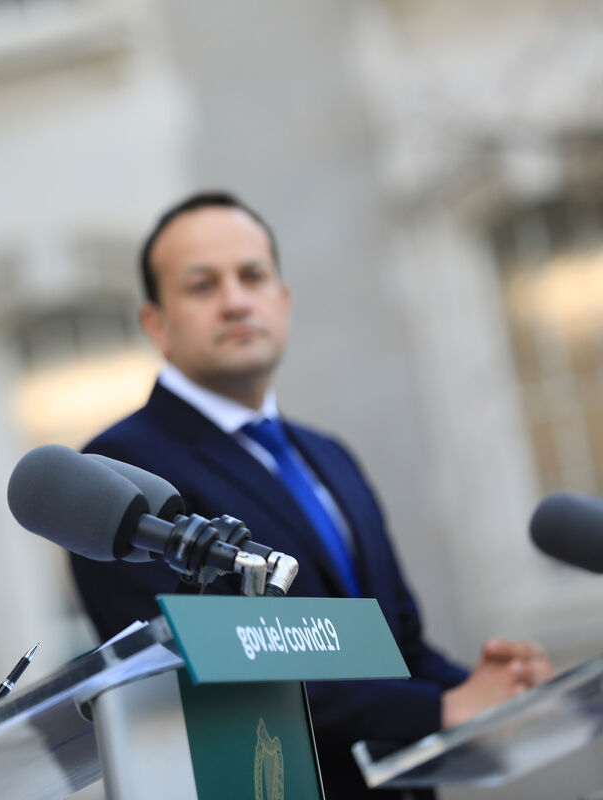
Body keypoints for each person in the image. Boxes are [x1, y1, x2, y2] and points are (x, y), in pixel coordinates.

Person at [69, 191, 553, 798]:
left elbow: (393, 641)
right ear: (156, 325)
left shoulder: (330, 456)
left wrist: (497, 687)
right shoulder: (119, 472)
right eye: (202, 285)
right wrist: (439, 711)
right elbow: (215, 672)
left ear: (283, 300)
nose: (236, 300)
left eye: (252, 276)